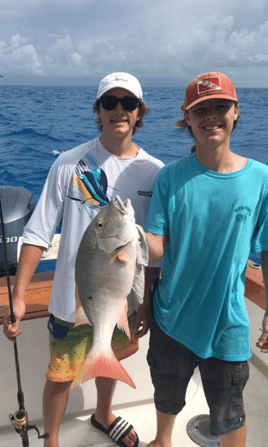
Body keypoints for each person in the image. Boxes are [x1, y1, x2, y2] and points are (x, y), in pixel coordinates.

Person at [3, 72, 163, 447]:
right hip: (69, 301)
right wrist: (21, 295)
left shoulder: (155, 172)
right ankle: (52, 439)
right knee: (60, 374)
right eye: (110, 102)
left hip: (124, 296)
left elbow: (155, 246)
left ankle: (104, 414)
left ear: (140, 112)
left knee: (111, 353)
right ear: (98, 109)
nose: (119, 110)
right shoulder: (69, 163)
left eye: (129, 103)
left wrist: (150, 300)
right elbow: (38, 232)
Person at [144, 72, 268, 447]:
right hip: (170, 316)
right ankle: (162, 441)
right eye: (201, 109)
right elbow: (155, 248)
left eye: (220, 106)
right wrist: (126, 239)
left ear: (236, 112)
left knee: (230, 414)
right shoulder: (169, 178)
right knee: (165, 397)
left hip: (226, 324)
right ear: (187, 117)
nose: (210, 116)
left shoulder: (261, 179)